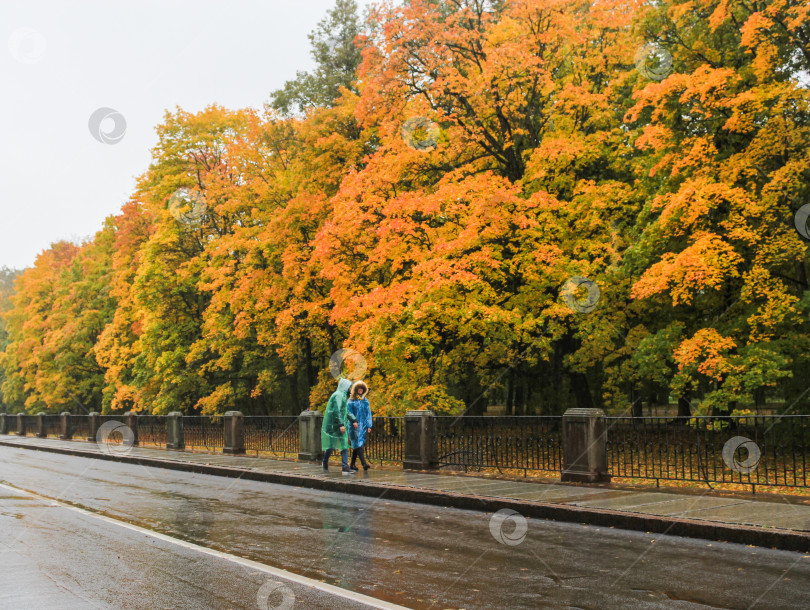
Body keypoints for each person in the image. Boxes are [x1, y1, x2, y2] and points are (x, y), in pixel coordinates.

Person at [321, 378, 358, 474]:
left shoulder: (342, 395)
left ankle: (345, 467)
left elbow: (345, 410)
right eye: (349, 386)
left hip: (340, 425)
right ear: (345, 386)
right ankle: (325, 461)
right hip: (334, 426)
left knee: (344, 445)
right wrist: (341, 424)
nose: (350, 388)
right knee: (332, 446)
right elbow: (337, 411)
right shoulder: (338, 395)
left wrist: (353, 419)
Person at [348, 380, 373, 471]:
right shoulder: (351, 401)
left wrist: (369, 426)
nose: (360, 390)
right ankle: (364, 464)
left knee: (357, 445)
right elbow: (348, 413)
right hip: (354, 426)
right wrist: (353, 421)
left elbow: (368, 413)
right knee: (358, 444)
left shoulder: (365, 401)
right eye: (359, 388)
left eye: (362, 389)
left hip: (363, 426)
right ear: (356, 389)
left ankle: (352, 465)